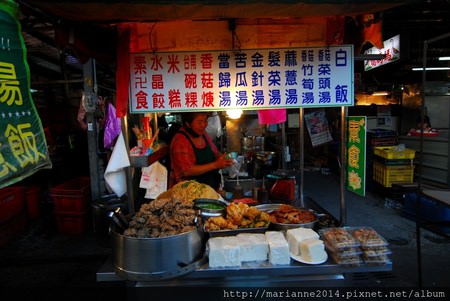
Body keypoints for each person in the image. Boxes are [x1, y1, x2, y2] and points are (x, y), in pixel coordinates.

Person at [169, 112, 234, 190]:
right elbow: (186, 171)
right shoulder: (180, 141)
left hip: (208, 189)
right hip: (187, 193)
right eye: (199, 122)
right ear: (188, 124)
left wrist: (224, 159)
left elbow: (214, 152)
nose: (203, 125)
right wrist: (215, 165)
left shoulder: (203, 134)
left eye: (205, 121)